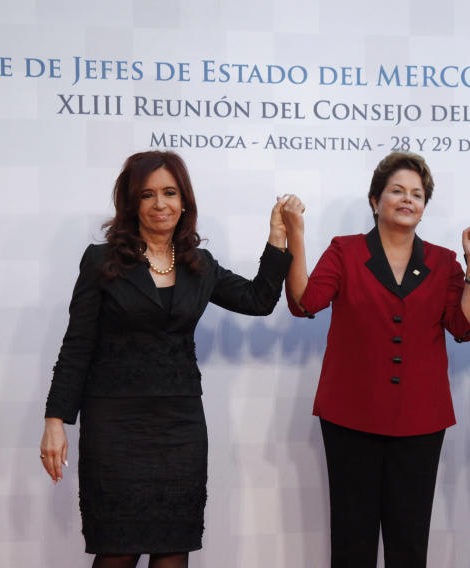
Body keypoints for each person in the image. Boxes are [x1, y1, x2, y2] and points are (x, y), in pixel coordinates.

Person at [39, 151, 294, 568]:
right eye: (148, 195)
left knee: (173, 549)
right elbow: (76, 346)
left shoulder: (200, 265)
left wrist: (277, 236)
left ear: (184, 201)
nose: (161, 204)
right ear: (132, 204)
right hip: (115, 426)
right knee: (118, 551)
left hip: (181, 425)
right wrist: (55, 421)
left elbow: (259, 299)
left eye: (170, 193)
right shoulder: (101, 262)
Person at [279, 152, 470, 568]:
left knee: (409, 542)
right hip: (350, 417)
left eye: (417, 194)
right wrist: (297, 235)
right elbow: (306, 302)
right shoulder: (345, 251)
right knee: (351, 541)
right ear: (375, 200)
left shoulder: (443, 260)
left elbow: (463, 327)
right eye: (397, 190)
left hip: (420, 420)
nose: (407, 199)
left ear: (425, 206)